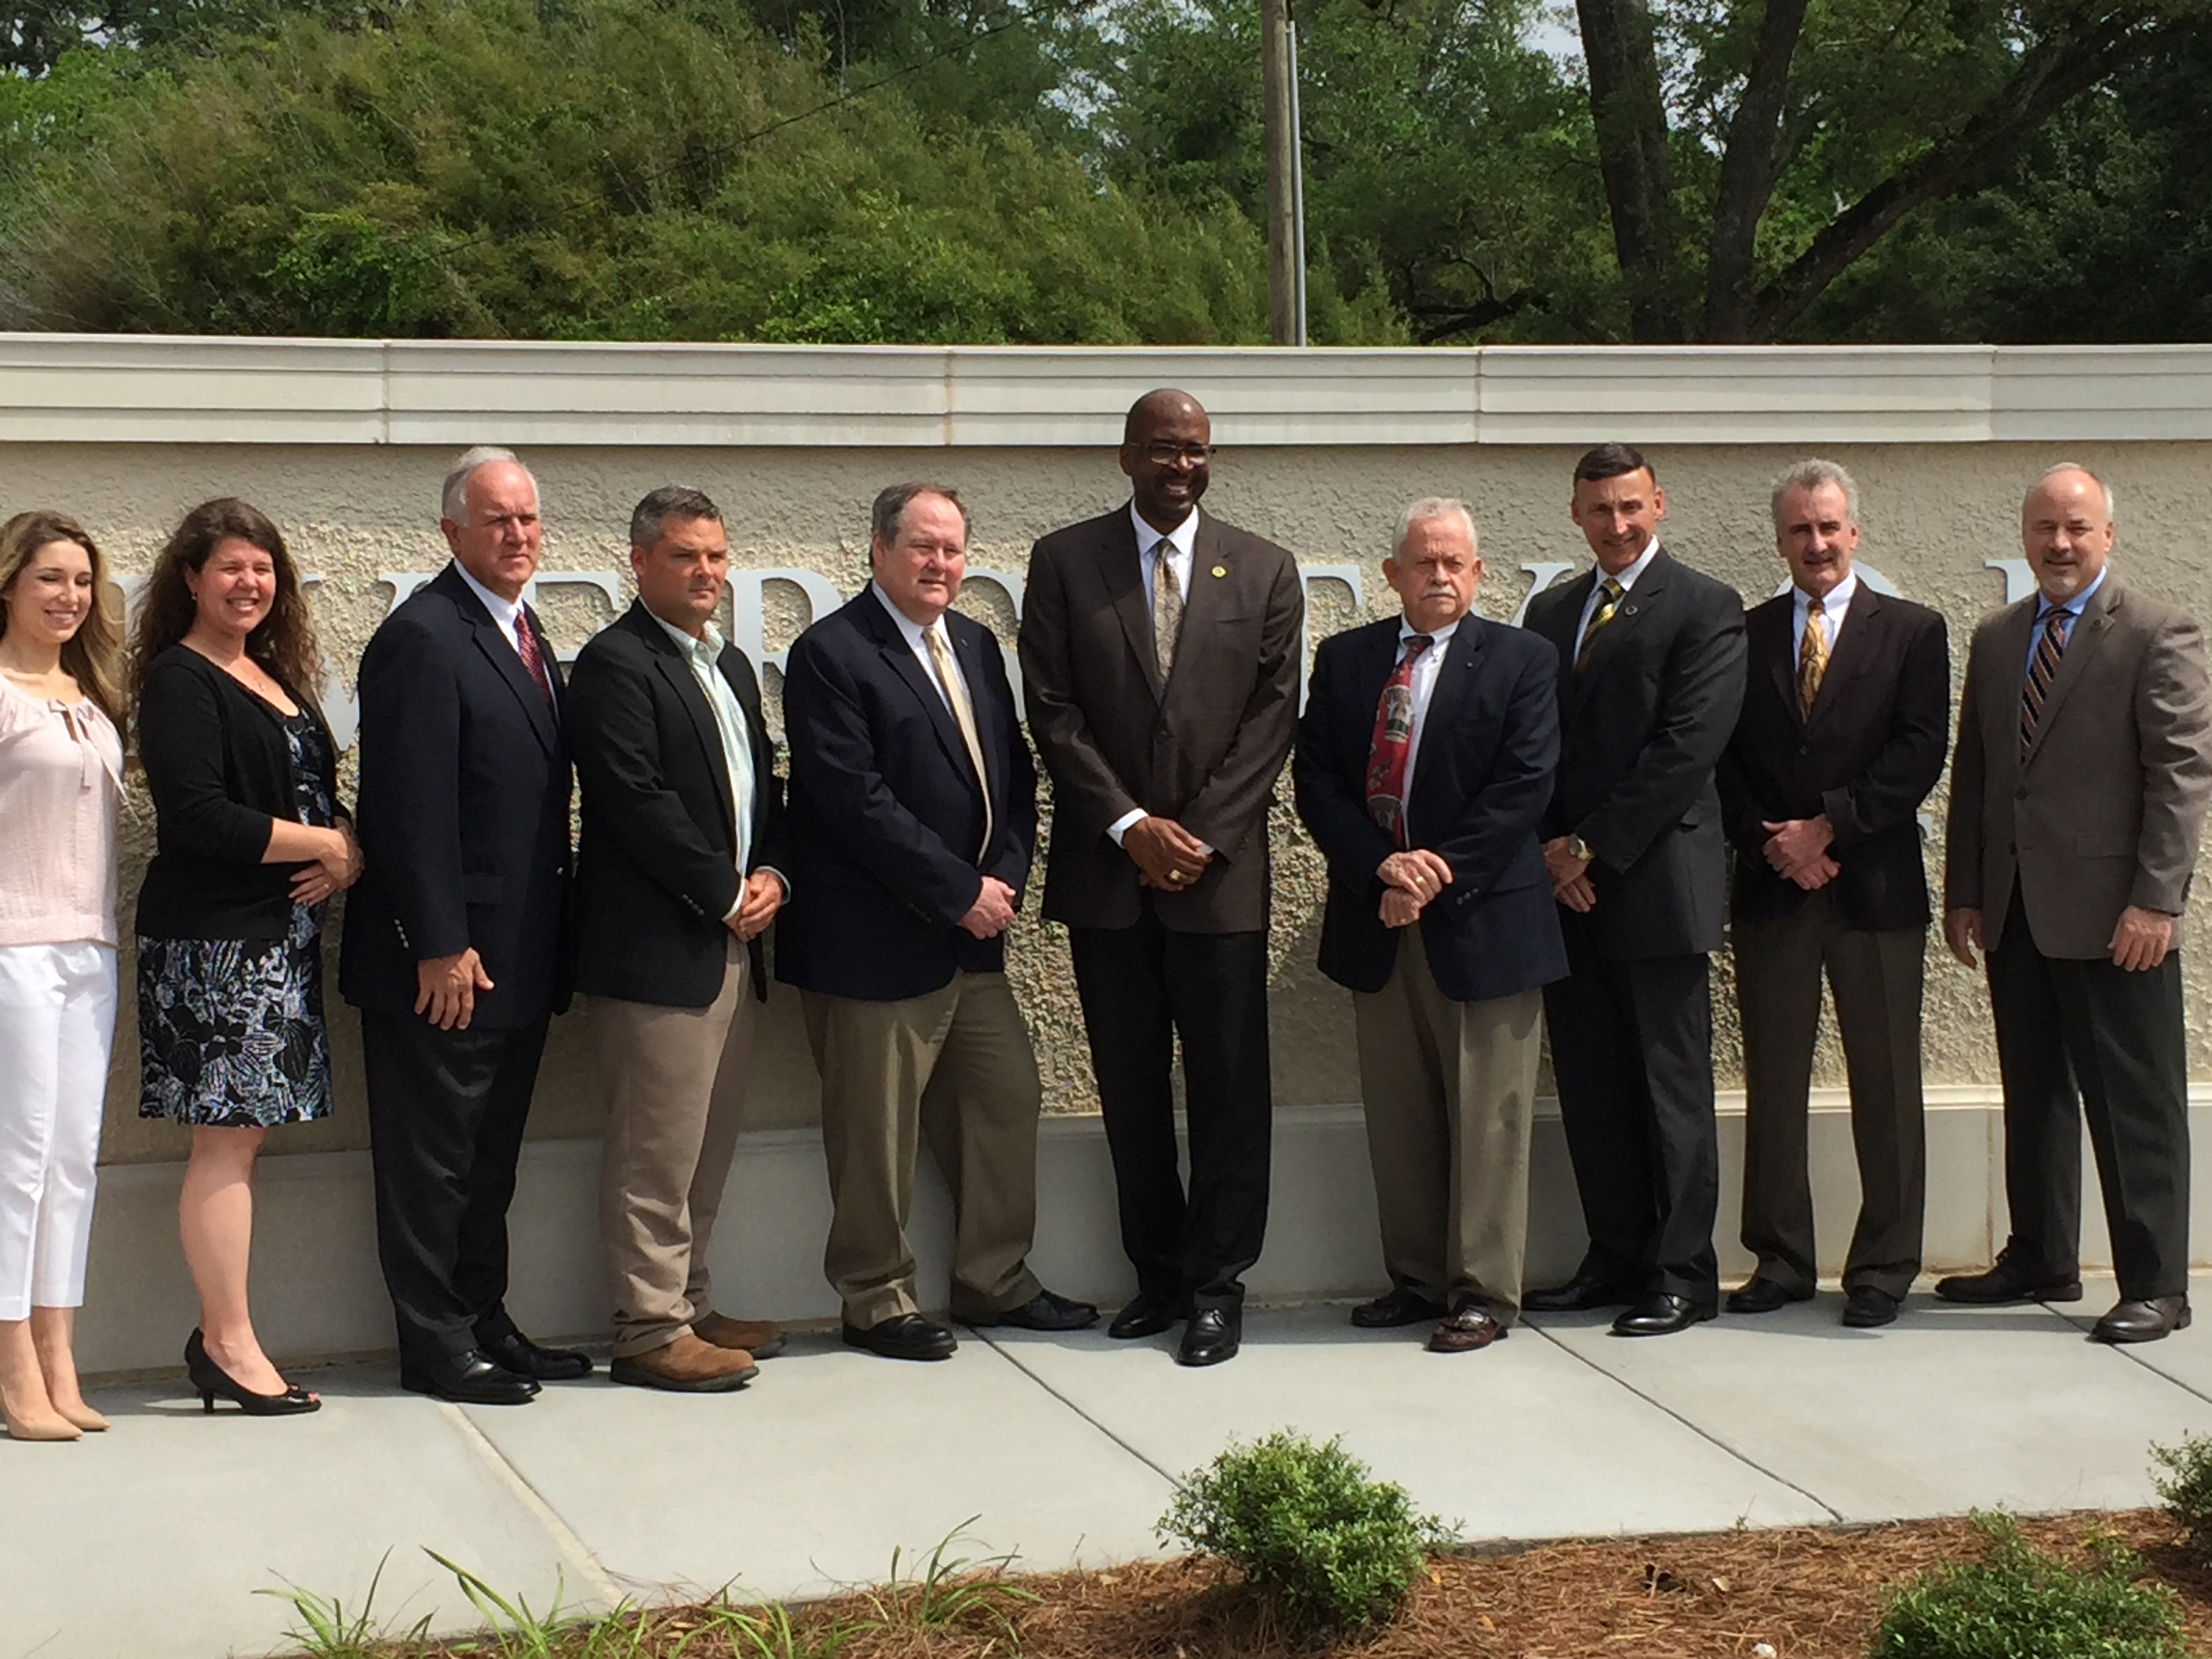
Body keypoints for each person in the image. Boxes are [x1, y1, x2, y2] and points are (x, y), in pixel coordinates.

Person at [1019, 389, 1303, 1368]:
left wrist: (1201, 836)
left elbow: (1273, 720)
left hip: (1218, 882)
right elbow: (1052, 711)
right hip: (1110, 876)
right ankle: (1159, 1276)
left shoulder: (1264, 568)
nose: (1179, 465)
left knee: (1230, 1091)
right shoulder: (1065, 563)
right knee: (1129, 1087)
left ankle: (1219, 1288)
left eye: (1195, 450)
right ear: (1127, 457)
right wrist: (1132, 825)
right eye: (1162, 449)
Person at [779, 484, 1094, 1361]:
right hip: (874, 945)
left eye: (953, 550)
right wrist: (957, 887)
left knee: (1005, 1098)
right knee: (875, 1134)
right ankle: (876, 1299)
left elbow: (1016, 778)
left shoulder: (977, 645)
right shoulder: (831, 653)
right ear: (878, 550)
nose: (939, 565)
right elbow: (853, 801)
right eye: (922, 547)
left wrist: (1005, 876)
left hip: (972, 940)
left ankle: (995, 1280)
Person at [1940, 464, 2212, 1345]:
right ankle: (2041, 1255)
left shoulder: (2156, 632)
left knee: (2136, 1102)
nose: (2060, 543)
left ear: (2108, 536)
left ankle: (2157, 1284)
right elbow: (1980, 777)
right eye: (2045, 528)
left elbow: (2181, 778)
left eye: (2077, 528)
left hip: (2117, 920)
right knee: (2037, 1092)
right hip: (2017, 912)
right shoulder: (1997, 636)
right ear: (2026, 535)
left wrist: (2156, 902)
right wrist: (1968, 894)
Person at [340, 447, 587, 1404]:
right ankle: (436, 1343)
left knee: (488, 1160)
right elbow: (407, 808)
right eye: (498, 521)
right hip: (446, 963)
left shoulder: (524, 633)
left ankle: (485, 1319)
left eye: (528, 519)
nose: (519, 536)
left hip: (517, 957)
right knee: (432, 1161)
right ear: (452, 533)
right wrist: (438, 942)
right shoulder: (424, 637)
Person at [1292, 499, 1565, 1354]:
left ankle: (1483, 1292)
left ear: (1478, 575)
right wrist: (1383, 867)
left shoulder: (1522, 660)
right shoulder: (1345, 661)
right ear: (1393, 575)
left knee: (1490, 1118)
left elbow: (1525, 785)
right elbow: (1318, 782)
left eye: (1456, 563)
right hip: (1379, 920)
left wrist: (1433, 875)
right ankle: (1414, 1279)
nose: (1440, 576)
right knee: (1401, 1112)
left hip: (1485, 923)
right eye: (1424, 563)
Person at [131, 499, 360, 1416]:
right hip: (214, 949)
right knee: (225, 1143)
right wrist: (324, 845)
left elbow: (318, 802)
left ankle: (221, 1333)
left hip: (277, 941)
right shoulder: (179, 680)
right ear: (190, 577)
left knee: (245, 1142)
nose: (249, 583)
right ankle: (226, 1342)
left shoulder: (273, 677)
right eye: (230, 567)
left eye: (263, 568)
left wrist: (342, 847)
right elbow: (196, 816)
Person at [565, 487, 791, 1392]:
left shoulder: (729, 663)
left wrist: (772, 873)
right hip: (659, 949)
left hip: (733, 938)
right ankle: (647, 1329)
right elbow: (634, 800)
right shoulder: (615, 665)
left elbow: (760, 786)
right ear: (641, 563)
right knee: (654, 1154)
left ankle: (692, 1304)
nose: (707, 573)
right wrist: (721, 892)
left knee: (706, 1148)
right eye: (686, 557)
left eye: (718, 556)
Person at [1519, 443, 1746, 1337]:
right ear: (1575, 514)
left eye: (1631, 507)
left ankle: (1682, 1275)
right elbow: (1532, 742)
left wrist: (1587, 848)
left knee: (1668, 1092)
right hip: (1565, 893)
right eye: (1599, 510)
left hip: (1655, 887)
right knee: (1592, 1087)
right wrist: (1549, 851)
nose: (1617, 525)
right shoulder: (1550, 611)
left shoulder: (1705, 607)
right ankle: (1612, 1256)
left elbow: (1686, 750)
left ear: (1659, 504)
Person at [1716, 461, 1949, 1330]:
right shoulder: (1744, 634)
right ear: (1780, 541)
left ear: (1855, 531)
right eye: (1799, 531)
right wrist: (1776, 844)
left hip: (1875, 891)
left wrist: (1830, 829)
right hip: (1776, 888)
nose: (1816, 544)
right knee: (1773, 1079)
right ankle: (1779, 1258)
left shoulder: (1914, 632)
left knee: (1885, 1081)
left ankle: (1885, 1264)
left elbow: (1921, 752)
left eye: (1829, 527)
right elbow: (1722, 759)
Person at [0, 512, 125, 1441]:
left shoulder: (89, 697)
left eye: (80, 580)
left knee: (73, 1163)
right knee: (19, 1162)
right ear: (9, 585)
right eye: (49, 577)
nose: (68, 597)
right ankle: (13, 1375)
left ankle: (59, 1357)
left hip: (89, 949)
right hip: (12, 948)